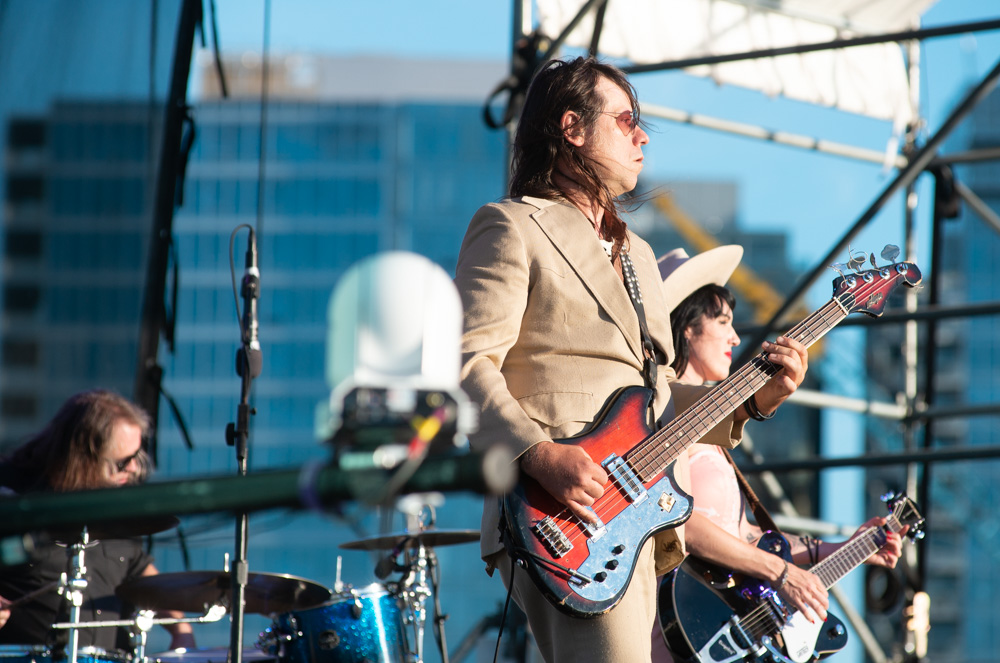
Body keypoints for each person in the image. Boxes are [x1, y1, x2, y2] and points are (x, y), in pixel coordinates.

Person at [454, 56, 808, 663]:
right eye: (625, 120)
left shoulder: (639, 256)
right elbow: (463, 364)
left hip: (641, 516)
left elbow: (660, 403)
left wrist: (757, 397)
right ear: (572, 128)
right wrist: (537, 453)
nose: (641, 135)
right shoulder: (512, 226)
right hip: (562, 513)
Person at [650, 246, 908, 661]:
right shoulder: (658, 415)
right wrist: (782, 573)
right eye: (723, 322)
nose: (736, 337)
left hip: (702, 630)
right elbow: (676, 521)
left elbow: (749, 537)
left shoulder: (715, 441)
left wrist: (850, 547)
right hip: (664, 627)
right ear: (686, 329)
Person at [0, 390, 196, 654]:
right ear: (85, 459)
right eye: (124, 462)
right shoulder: (12, 499)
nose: (135, 469)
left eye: (137, 457)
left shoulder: (115, 508)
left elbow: (137, 567)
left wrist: (181, 629)